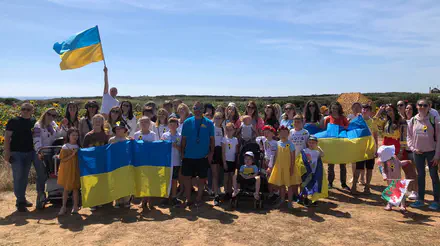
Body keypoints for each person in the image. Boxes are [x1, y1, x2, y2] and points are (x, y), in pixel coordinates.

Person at [407, 99, 440, 210]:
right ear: (416, 106)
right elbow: (409, 136)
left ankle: (436, 201)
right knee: (420, 176)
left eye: (425, 105)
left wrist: (437, 155)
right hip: (418, 153)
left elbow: (439, 138)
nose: (422, 107)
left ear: (428, 107)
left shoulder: (434, 119)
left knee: (434, 176)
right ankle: (420, 199)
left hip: (431, 152)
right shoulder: (413, 120)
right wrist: (413, 148)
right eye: (420, 105)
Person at [181, 102, 215, 207]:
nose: (197, 110)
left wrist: (211, 153)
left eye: (200, 108)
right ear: (193, 109)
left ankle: (199, 198)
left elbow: (212, 140)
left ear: (203, 110)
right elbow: (183, 139)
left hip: (202, 156)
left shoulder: (209, 123)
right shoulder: (187, 122)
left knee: (201, 179)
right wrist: (182, 152)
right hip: (188, 156)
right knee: (187, 178)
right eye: (195, 108)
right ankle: (188, 198)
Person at [4, 103, 37, 212]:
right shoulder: (13, 121)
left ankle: (22, 198)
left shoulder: (33, 121)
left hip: (29, 152)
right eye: (23, 109)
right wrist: (7, 152)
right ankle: (20, 201)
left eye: (28, 109)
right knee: (18, 177)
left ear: (32, 111)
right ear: (21, 110)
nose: (25, 111)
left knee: (24, 177)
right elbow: (7, 138)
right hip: (16, 153)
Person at [33, 108, 68, 209]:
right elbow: (36, 140)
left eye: (54, 116)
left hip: (53, 152)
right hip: (43, 152)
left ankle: (59, 191)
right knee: (42, 175)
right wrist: (39, 150)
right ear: (45, 114)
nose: (52, 117)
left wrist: (63, 126)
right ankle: (40, 194)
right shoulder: (38, 125)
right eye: (50, 115)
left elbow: (59, 134)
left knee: (57, 172)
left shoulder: (53, 124)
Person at [83, 114, 109, 211]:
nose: (98, 122)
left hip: (103, 162)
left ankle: (100, 200)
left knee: (102, 181)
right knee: (93, 182)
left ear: (103, 122)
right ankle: (92, 202)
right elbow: (84, 150)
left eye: (100, 120)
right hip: (92, 163)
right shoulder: (88, 136)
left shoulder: (106, 135)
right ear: (92, 122)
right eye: (96, 120)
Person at [351, 104, 379, 195]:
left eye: (367, 109)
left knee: (369, 169)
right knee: (358, 168)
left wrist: (376, 149)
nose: (365, 111)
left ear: (370, 112)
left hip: (370, 149)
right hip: (360, 149)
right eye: (363, 109)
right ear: (361, 110)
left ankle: (367, 187)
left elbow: (375, 136)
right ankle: (354, 186)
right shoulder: (357, 121)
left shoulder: (373, 122)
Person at [269, 126, 296, 209]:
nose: (283, 134)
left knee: (289, 185)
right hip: (280, 167)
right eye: (281, 132)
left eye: (285, 132)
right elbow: (276, 156)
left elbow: (293, 157)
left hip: (288, 167)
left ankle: (290, 202)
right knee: (281, 185)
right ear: (278, 134)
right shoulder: (277, 143)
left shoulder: (290, 144)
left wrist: (291, 167)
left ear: (288, 134)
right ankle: (282, 200)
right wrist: (274, 166)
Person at [324, 102, 350, 191]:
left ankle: (343, 183)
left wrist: (345, 128)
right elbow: (325, 132)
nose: (335, 110)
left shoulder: (343, 118)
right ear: (330, 109)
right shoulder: (327, 119)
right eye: (333, 108)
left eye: (336, 108)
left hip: (342, 144)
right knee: (330, 165)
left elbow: (348, 128)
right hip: (331, 145)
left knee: (343, 165)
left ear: (339, 109)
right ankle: (330, 183)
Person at [377, 145, 410, 212]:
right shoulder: (385, 163)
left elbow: (399, 163)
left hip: (397, 179)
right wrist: (384, 176)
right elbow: (383, 170)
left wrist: (406, 162)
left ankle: (403, 205)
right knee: (391, 192)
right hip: (390, 181)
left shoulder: (395, 158)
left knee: (401, 192)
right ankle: (390, 204)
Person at [57, 128, 81, 215]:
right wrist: (72, 154)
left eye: (76, 135)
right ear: (69, 136)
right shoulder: (65, 147)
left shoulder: (78, 147)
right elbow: (62, 159)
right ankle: (63, 206)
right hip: (67, 170)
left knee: (75, 189)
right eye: (73, 135)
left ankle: (75, 206)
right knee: (66, 189)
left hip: (75, 169)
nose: (75, 137)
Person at [108, 121, 131, 209]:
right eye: (117, 129)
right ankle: (117, 200)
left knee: (125, 182)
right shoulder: (111, 140)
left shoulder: (128, 140)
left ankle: (126, 200)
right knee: (116, 182)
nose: (119, 130)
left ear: (124, 130)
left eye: (121, 128)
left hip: (125, 165)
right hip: (115, 164)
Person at [161, 118, 182, 207]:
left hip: (176, 161)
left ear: (177, 125)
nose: (172, 126)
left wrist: (176, 146)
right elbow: (160, 147)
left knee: (174, 180)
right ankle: (166, 197)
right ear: (168, 125)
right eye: (171, 124)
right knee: (166, 180)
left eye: (174, 124)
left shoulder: (180, 136)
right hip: (167, 161)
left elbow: (182, 149)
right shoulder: (165, 135)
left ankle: (173, 197)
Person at [402, 103, 419, 200]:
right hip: (405, 150)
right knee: (408, 172)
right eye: (407, 108)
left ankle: (415, 191)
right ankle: (409, 189)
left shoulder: (416, 121)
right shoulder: (402, 121)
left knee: (415, 172)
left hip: (413, 150)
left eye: (410, 109)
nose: (408, 110)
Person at [222, 122, 240, 201]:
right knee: (226, 178)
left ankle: (230, 192)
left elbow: (236, 152)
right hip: (226, 161)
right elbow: (223, 152)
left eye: (231, 130)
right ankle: (226, 192)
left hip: (233, 161)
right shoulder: (224, 139)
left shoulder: (235, 139)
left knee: (232, 177)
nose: (229, 131)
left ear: (234, 130)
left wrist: (236, 162)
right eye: (227, 130)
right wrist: (224, 162)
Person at [211, 112, 224, 206]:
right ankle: (216, 195)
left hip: (221, 151)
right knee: (214, 174)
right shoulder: (211, 128)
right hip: (213, 151)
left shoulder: (223, 129)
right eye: (216, 118)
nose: (218, 119)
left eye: (220, 118)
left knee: (219, 173)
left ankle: (217, 191)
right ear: (214, 118)